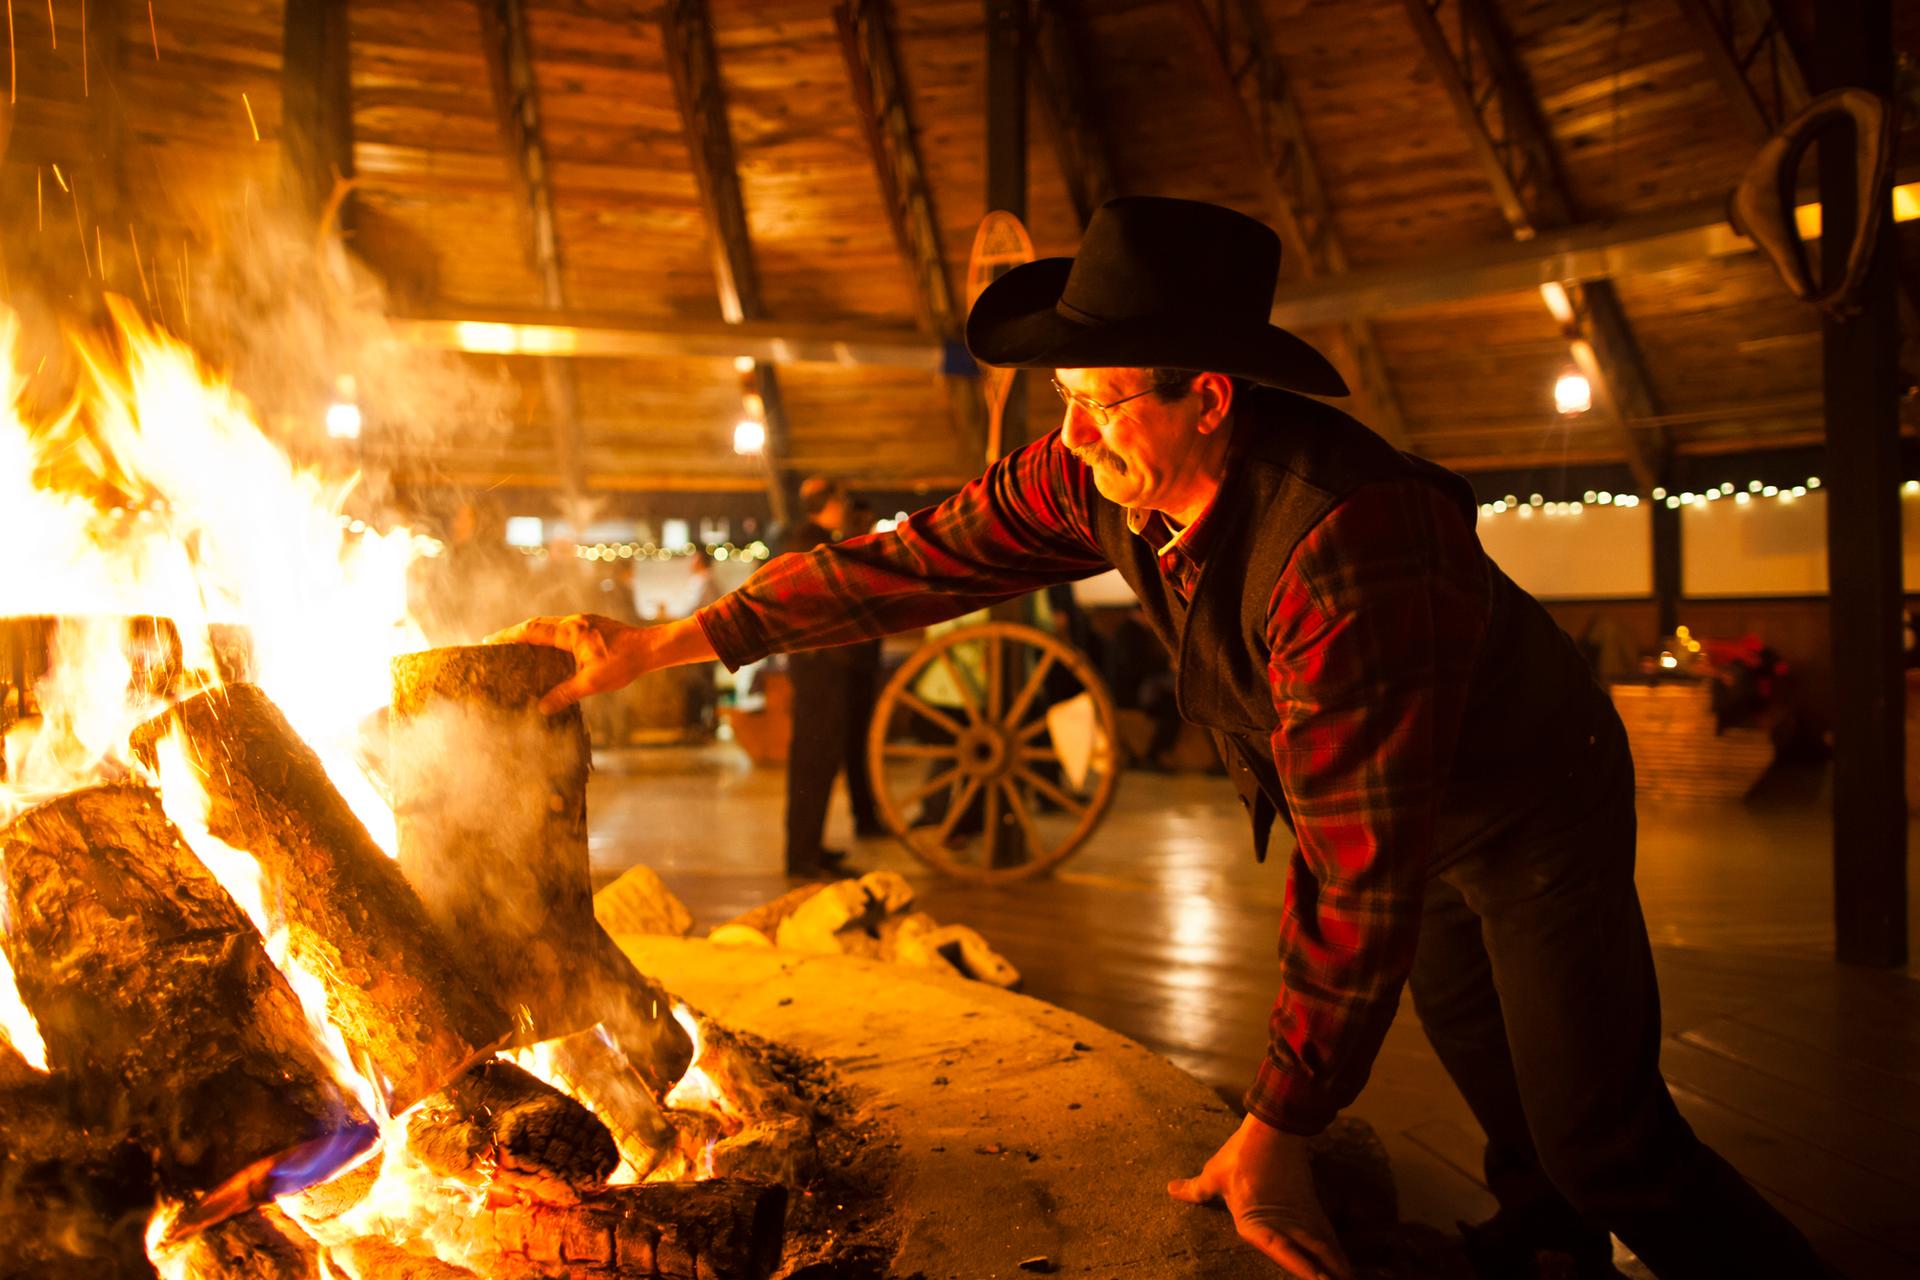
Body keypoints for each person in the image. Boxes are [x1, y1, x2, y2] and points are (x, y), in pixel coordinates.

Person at [492, 198, 1828, 1280]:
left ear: (1211, 400)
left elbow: (1355, 873)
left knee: (1605, 1139)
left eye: (1107, 401)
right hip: (1400, 816)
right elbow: (913, 561)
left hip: (1528, 810)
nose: (1072, 435)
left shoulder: (1346, 544)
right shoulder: (1103, 470)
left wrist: (1279, 1124)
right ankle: (1540, 1248)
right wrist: (670, 641)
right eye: (1066, 398)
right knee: (1503, 1095)